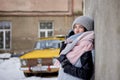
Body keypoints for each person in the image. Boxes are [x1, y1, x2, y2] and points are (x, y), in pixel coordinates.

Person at [54, 16, 94, 80]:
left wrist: (66, 65)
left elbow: (86, 74)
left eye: (80, 27)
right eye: (75, 27)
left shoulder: (86, 45)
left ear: (87, 29)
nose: (77, 30)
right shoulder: (71, 43)